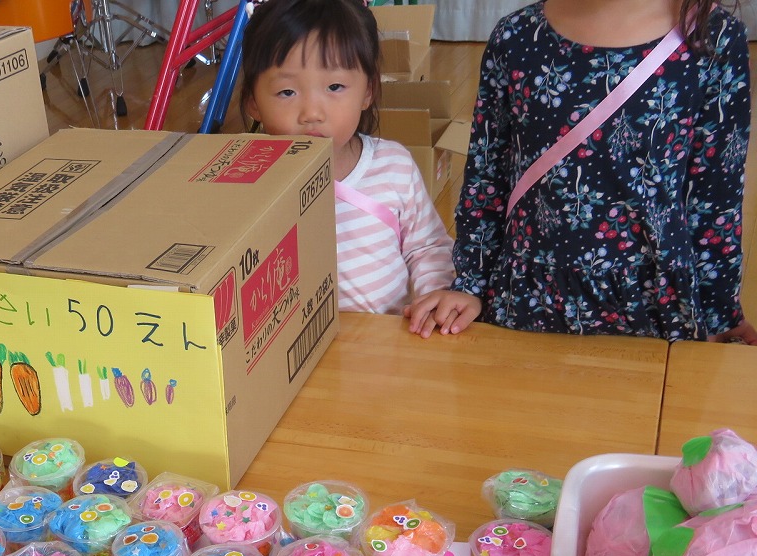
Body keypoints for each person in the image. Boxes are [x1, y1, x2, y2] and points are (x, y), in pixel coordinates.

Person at [406, 0, 756, 343]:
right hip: (527, 296)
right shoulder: (516, 36)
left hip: (654, 306)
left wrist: (719, 313)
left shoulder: (715, 38)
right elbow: (486, 175)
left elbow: (717, 198)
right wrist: (470, 285)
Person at [239, 0, 455, 314]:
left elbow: (428, 247)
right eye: (287, 92)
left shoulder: (394, 167)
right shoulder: (247, 184)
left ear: (368, 90)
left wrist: (435, 297)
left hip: (385, 339)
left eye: (335, 86)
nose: (312, 113)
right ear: (253, 102)